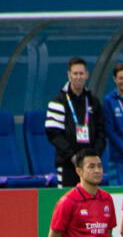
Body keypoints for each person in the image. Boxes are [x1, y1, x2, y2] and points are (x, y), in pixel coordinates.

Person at [45, 57, 105, 188]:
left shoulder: (93, 101)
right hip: (67, 164)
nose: (78, 77)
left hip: (90, 165)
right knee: (67, 202)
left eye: (81, 73)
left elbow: (101, 132)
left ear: (87, 75)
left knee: (90, 202)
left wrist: (94, 155)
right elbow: (54, 134)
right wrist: (72, 156)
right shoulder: (58, 101)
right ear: (69, 75)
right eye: (75, 73)